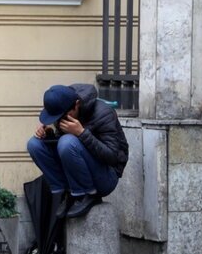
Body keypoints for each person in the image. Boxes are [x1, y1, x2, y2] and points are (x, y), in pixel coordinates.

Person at [27, 83, 128, 218]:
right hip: (75, 174)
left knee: (67, 142)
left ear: (76, 104)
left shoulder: (103, 113)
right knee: (34, 144)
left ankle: (88, 194)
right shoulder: (64, 107)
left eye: (63, 117)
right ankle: (67, 192)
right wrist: (49, 136)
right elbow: (64, 149)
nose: (61, 121)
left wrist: (81, 133)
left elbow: (112, 157)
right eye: (57, 119)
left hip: (106, 176)